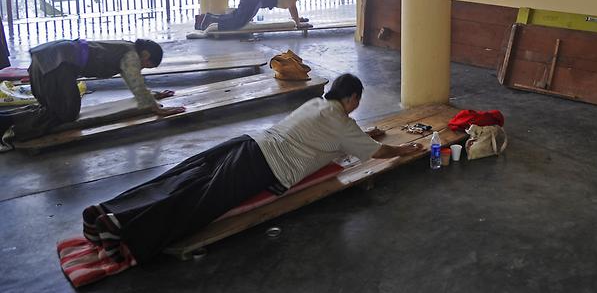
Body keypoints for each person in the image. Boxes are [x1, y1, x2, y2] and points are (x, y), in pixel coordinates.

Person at [80, 73, 421, 264]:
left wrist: (364, 133)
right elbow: (377, 152)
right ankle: (126, 231)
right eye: (357, 100)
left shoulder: (317, 104)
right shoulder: (342, 123)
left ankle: (110, 211)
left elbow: (343, 135)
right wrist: (404, 149)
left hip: (248, 143)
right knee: (199, 201)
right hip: (265, 166)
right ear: (353, 99)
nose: (357, 106)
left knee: (184, 175)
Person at [0, 38, 184, 148]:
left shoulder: (125, 48)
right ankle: (12, 127)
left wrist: (154, 95)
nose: (142, 68)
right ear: (145, 55)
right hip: (57, 65)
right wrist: (155, 108)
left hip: (45, 59)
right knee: (65, 113)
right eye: (146, 65)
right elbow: (135, 82)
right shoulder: (131, 55)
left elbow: (134, 81)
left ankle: (5, 119)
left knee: (50, 109)